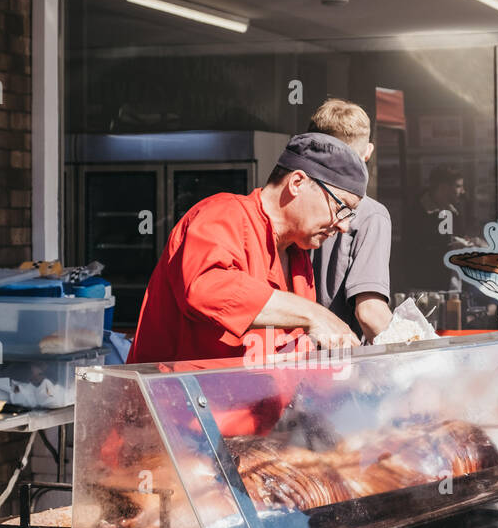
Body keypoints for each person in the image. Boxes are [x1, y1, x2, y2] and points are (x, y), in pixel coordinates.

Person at [128, 132, 365, 365]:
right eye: (341, 208)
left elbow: (292, 358)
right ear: (297, 183)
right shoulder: (222, 214)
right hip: (178, 400)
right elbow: (207, 288)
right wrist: (314, 314)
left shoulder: (298, 258)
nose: (343, 226)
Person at [308, 99, 394, 342]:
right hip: (339, 363)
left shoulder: (289, 204)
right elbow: (370, 313)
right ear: (368, 152)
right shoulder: (370, 214)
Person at [397, 165, 469, 295]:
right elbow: (413, 252)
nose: (462, 191)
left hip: (453, 285)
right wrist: (449, 248)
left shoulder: (456, 211)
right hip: (425, 287)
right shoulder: (416, 213)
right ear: (443, 188)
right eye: (458, 186)